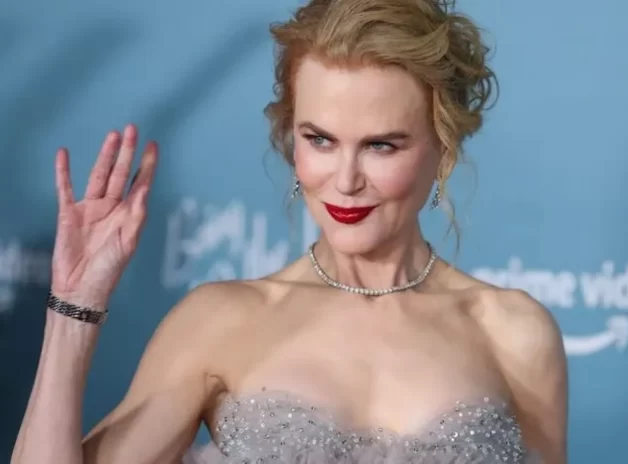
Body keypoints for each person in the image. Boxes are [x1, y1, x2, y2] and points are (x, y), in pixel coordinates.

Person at [11, 0, 568, 463]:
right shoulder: (221, 320)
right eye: (319, 140)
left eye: (381, 146)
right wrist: (73, 310)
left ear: (441, 149)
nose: (345, 180)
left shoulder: (513, 331)